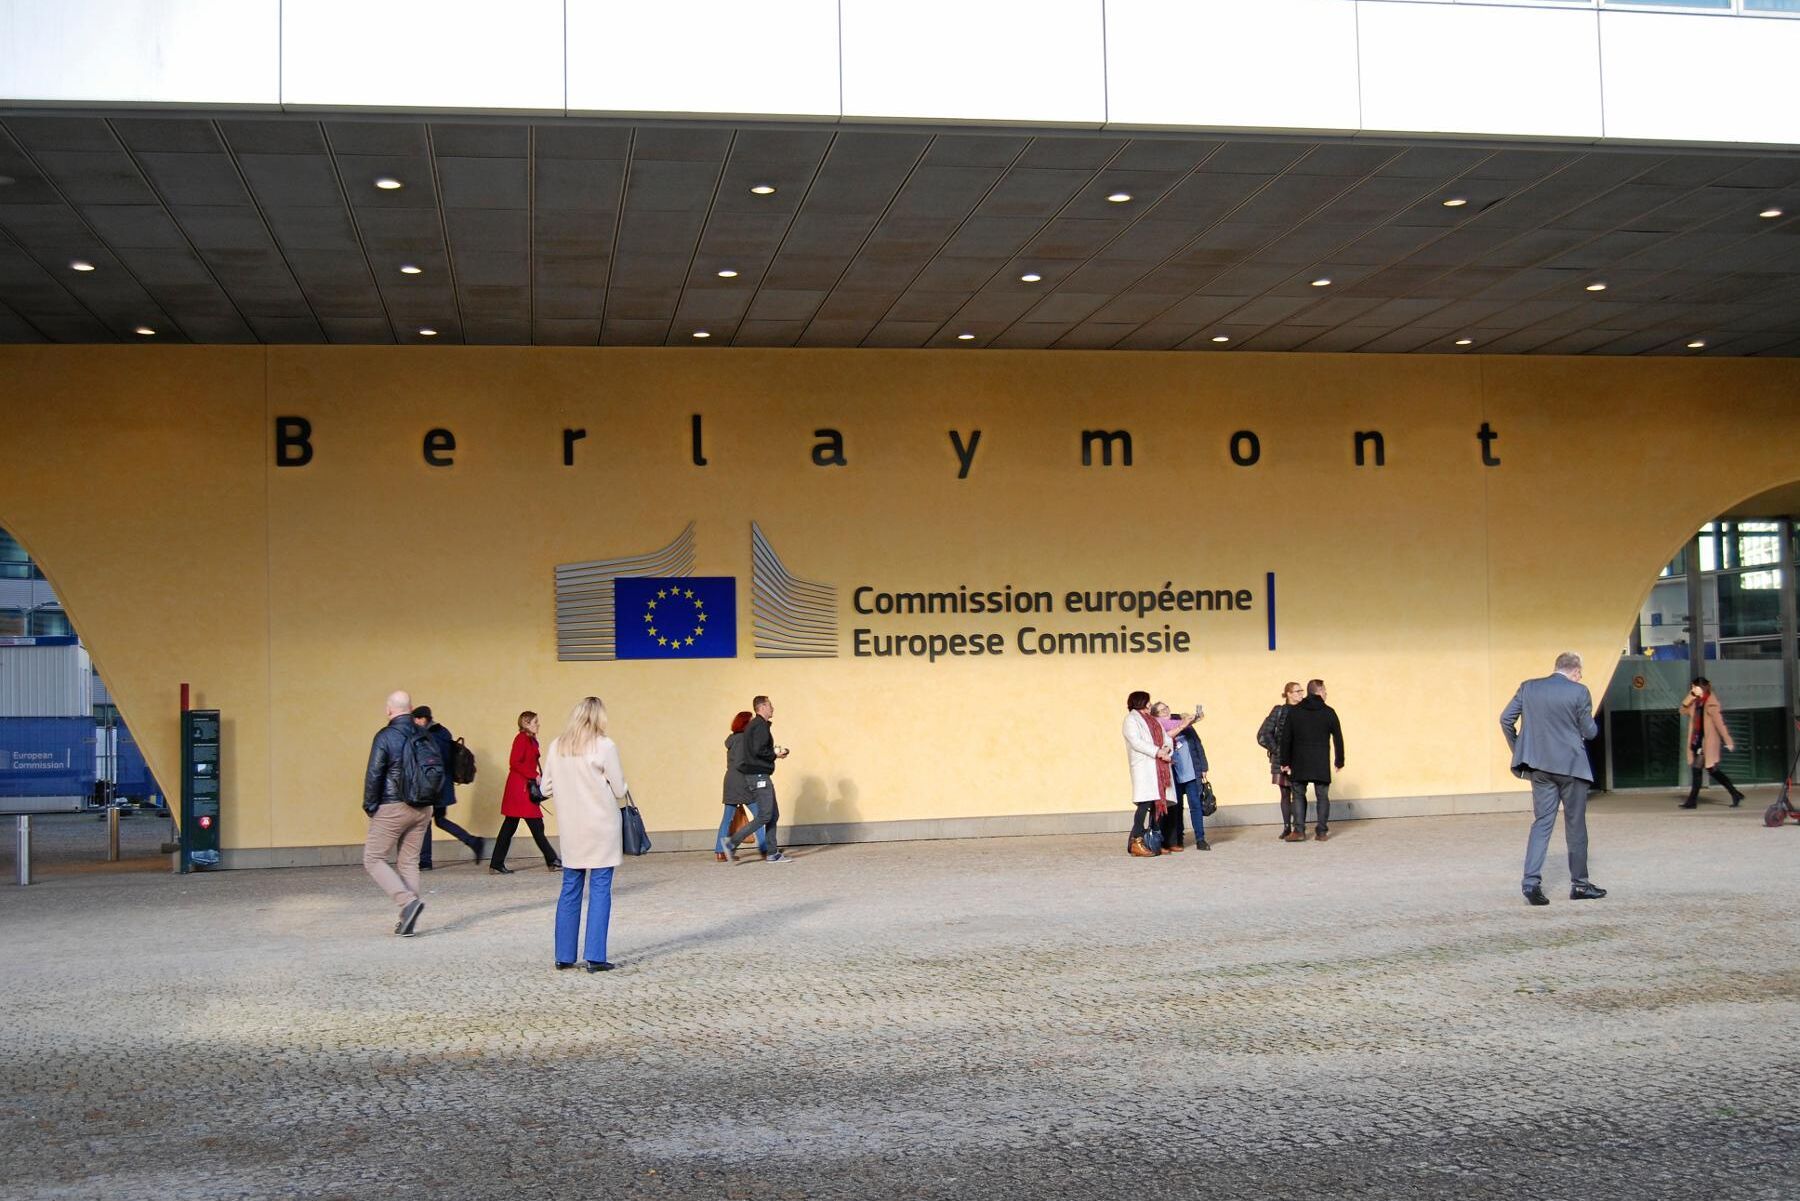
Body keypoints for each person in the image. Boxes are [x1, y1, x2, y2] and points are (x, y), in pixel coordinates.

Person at [1500, 651, 1606, 906]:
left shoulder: (1529, 688)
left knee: (1542, 823)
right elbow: (1590, 732)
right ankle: (1580, 885)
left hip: (1539, 768)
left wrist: (1521, 750)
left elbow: (1505, 720)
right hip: (1571, 768)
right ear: (1576, 671)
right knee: (1575, 825)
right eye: (1580, 673)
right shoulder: (1579, 691)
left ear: (1557, 667)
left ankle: (1531, 882)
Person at [539, 696, 629, 973]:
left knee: (570, 887)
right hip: (601, 825)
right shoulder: (605, 745)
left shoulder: (557, 746)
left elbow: (545, 788)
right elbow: (619, 789)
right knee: (600, 888)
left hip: (571, 826)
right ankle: (595, 955)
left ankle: (564, 955)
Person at [361, 689, 431, 937]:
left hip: (394, 805)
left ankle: (407, 902)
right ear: (411, 709)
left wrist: (370, 805)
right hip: (423, 807)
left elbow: (374, 774)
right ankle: (408, 916)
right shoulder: (424, 734)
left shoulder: (385, 735)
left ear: (389, 710)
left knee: (373, 858)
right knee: (409, 861)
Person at [412, 705, 483, 869]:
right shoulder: (443, 733)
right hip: (443, 786)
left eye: (415, 720)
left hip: (434, 787)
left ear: (422, 719)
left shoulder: (431, 737)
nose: (413, 723)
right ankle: (473, 842)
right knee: (439, 820)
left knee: (426, 821)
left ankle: (425, 861)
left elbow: (431, 763)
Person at [491, 711, 560, 874]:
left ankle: (496, 863)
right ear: (525, 723)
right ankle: (552, 860)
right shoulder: (521, 739)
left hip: (521, 788)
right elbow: (514, 762)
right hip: (520, 789)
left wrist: (537, 775)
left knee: (509, 827)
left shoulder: (531, 740)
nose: (538, 725)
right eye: (535, 722)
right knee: (536, 825)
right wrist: (534, 775)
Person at [723, 695, 790, 863]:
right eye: (770, 705)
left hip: (759, 775)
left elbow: (756, 749)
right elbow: (759, 750)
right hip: (759, 776)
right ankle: (731, 842)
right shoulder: (759, 725)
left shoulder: (757, 726)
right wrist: (776, 754)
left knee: (773, 815)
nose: (773, 708)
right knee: (765, 815)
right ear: (762, 707)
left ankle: (772, 853)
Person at [1280, 679, 1344, 842]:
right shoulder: (1329, 712)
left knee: (1298, 795)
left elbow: (1286, 738)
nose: (1326, 694)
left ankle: (1299, 831)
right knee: (1322, 796)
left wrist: (1285, 761)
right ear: (1318, 691)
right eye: (1324, 691)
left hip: (1299, 760)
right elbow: (1338, 737)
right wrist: (1339, 760)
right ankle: (1321, 832)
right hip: (1320, 760)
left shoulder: (1295, 711)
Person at [1679, 677, 1745, 808]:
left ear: (1702, 688)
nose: (1692, 689)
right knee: (1713, 770)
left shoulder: (1711, 703)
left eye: (1694, 687)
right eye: (1691, 687)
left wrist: (1728, 740)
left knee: (1697, 770)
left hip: (1707, 743)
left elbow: (1720, 724)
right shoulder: (1695, 702)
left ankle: (1692, 802)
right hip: (1697, 740)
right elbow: (1682, 710)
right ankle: (1735, 793)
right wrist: (1690, 696)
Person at [1122, 689, 1172, 857]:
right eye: (1148, 701)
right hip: (1144, 767)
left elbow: (1166, 737)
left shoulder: (1153, 720)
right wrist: (1158, 751)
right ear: (1140, 702)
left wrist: (1166, 749)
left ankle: (1153, 841)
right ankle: (1136, 841)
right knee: (1144, 804)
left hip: (1159, 767)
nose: (1150, 704)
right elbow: (1136, 742)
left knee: (1157, 804)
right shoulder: (1131, 720)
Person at [717, 710, 770, 861]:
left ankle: (720, 852)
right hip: (743, 781)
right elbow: (743, 763)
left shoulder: (733, 739)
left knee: (727, 818)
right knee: (760, 816)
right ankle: (765, 849)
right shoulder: (743, 740)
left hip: (730, 781)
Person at [1150, 701, 1200, 852]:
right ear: (1156, 715)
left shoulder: (1171, 722)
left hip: (1178, 771)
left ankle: (1175, 841)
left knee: (1177, 807)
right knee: (1164, 807)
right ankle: (1160, 842)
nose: (1166, 711)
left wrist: (1194, 717)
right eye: (1162, 710)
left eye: (1167, 708)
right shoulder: (1158, 724)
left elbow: (1184, 727)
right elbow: (1171, 730)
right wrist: (1185, 723)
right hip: (1165, 771)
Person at [1257, 682, 1304, 839]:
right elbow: (1264, 733)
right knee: (1285, 793)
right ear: (1288, 694)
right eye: (1297, 691)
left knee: (1299, 792)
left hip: (1299, 758)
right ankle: (1287, 827)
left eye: (1301, 691)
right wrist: (1278, 751)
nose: (1301, 694)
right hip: (1281, 759)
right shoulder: (1279, 711)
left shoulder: (1305, 710)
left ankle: (1299, 826)